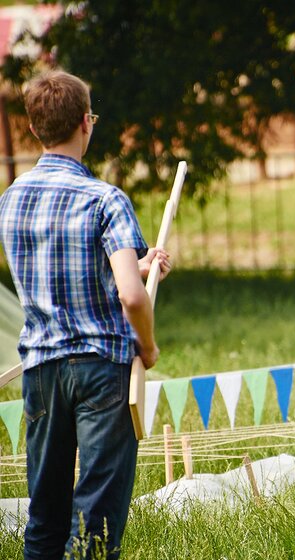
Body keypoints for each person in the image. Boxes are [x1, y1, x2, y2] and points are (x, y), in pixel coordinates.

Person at [0, 71, 170, 559]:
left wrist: (138, 266)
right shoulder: (105, 199)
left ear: (34, 129)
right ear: (85, 123)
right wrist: (149, 346)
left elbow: (60, 267)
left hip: (42, 371)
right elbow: (133, 299)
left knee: (45, 514)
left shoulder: (11, 199)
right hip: (101, 370)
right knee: (94, 517)